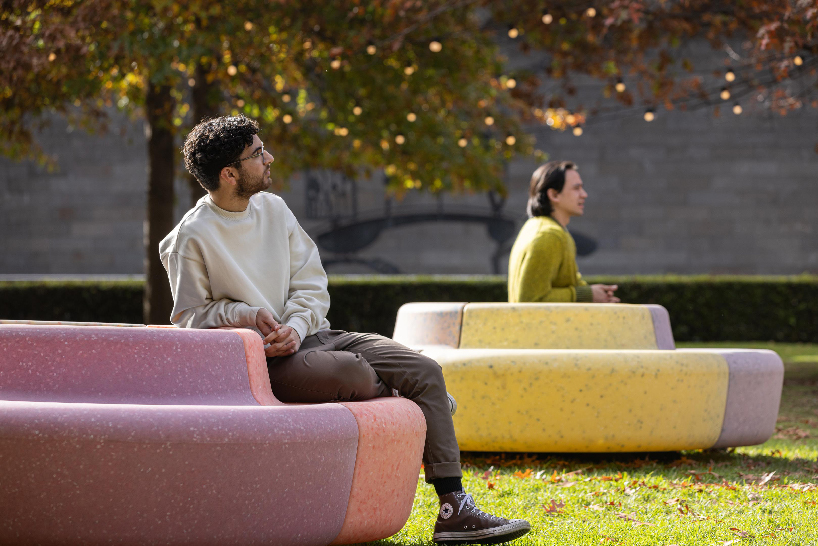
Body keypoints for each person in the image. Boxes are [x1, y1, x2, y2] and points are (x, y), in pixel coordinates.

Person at [160, 115, 530, 545]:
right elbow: (189, 318)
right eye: (258, 154)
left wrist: (297, 327)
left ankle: (453, 510)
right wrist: (245, 315)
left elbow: (312, 283)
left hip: (313, 336)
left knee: (424, 371)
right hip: (263, 361)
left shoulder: (274, 209)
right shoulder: (191, 237)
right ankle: (413, 401)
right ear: (229, 173)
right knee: (352, 374)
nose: (269, 158)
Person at [508, 161, 619, 304]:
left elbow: (566, 284)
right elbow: (531, 300)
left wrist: (596, 294)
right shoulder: (548, 235)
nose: (584, 194)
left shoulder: (541, 228)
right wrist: (586, 294)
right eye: (576, 188)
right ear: (554, 194)